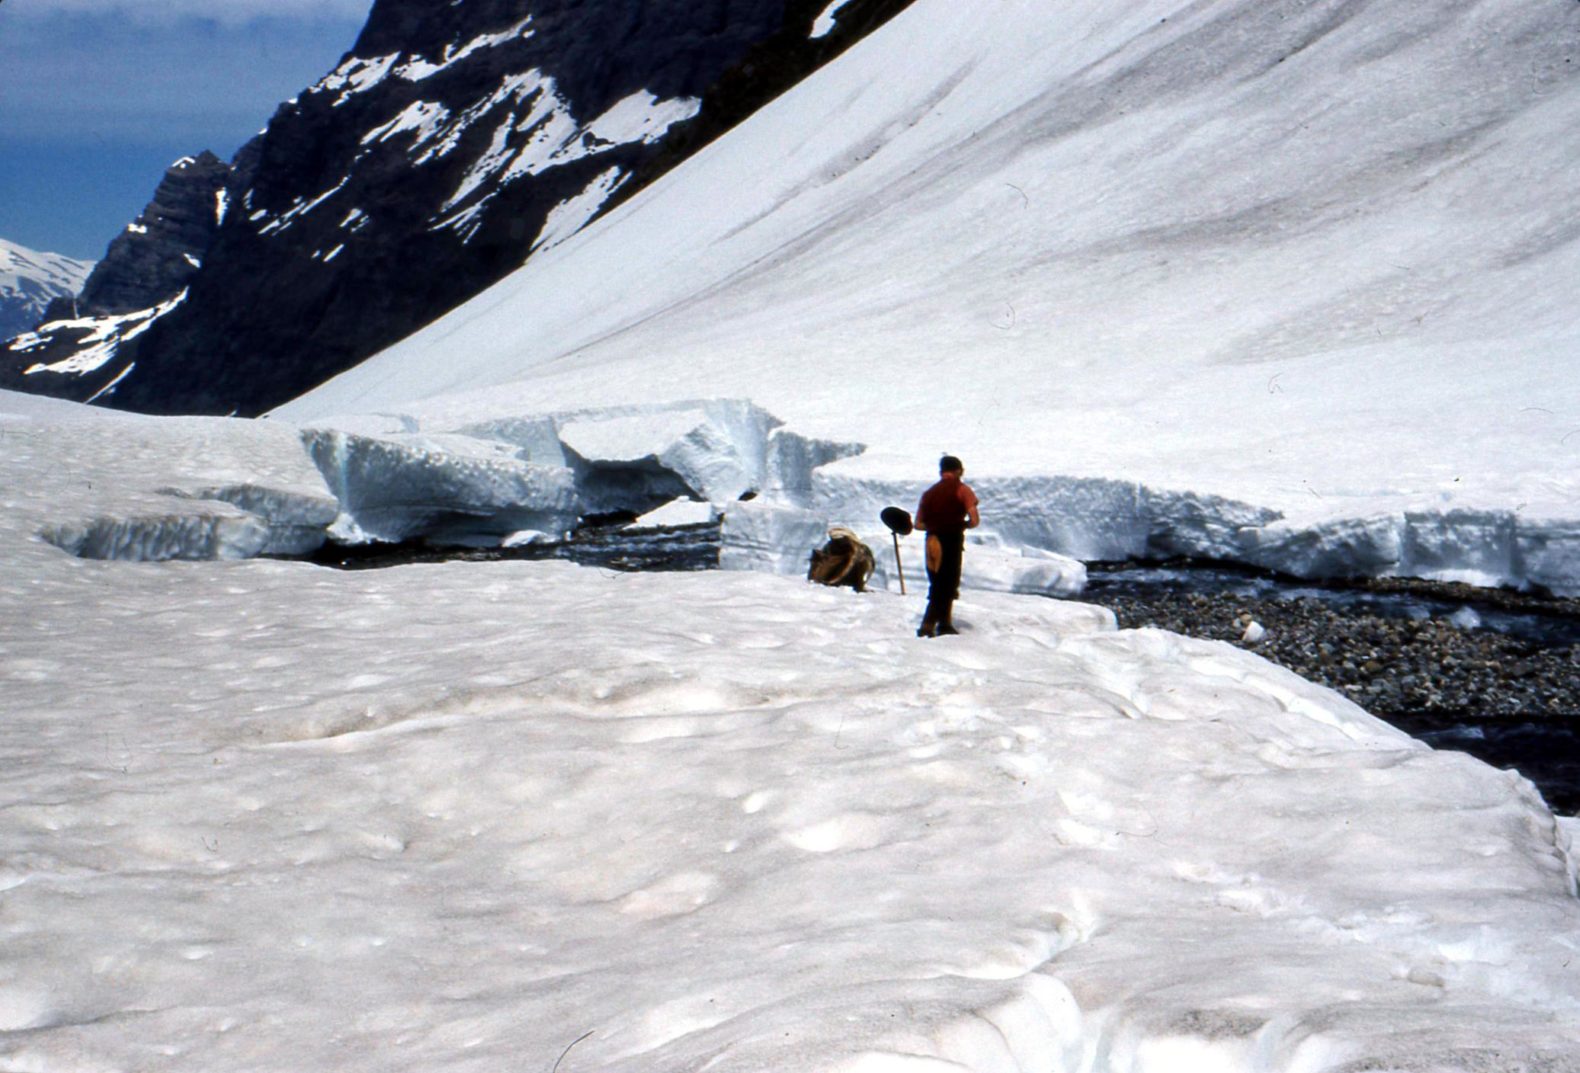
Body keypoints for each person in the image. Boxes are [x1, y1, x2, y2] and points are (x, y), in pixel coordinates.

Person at [913, 454, 979, 637]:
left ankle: (944, 622)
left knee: (937, 580)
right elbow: (974, 520)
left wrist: (935, 526)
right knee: (948, 582)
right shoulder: (963, 490)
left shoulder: (928, 494)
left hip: (931, 541)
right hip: (951, 540)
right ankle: (929, 624)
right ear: (958, 471)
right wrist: (960, 525)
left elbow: (918, 524)